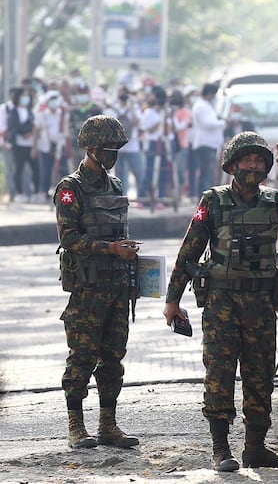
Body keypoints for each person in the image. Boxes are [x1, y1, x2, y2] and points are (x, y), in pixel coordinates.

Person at [162, 131, 278, 472]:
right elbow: (189, 252)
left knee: (260, 376)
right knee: (220, 373)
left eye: (260, 161)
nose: (254, 166)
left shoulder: (273, 203)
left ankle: (255, 448)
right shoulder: (213, 202)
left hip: (260, 303)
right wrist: (172, 300)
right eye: (248, 160)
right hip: (222, 303)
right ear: (232, 165)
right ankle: (220, 449)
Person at [53, 114, 140, 450]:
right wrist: (109, 249)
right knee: (82, 357)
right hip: (88, 288)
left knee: (113, 358)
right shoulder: (70, 188)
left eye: (117, 148)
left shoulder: (116, 186)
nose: (113, 154)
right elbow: (70, 237)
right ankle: (76, 426)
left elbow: (121, 231)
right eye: (108, 148)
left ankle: (108, 425)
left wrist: (128, 250)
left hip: (118, 287)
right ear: (91, 148)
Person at [191, 83, 227, 197]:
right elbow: (207, 124)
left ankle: (207, 197)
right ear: (210, 94)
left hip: (211, 143)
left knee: (209, 173)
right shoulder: (200, 106)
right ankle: (204, 197)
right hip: (205, 143)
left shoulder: (206, 105)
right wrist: (223, 123)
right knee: (206, 173)